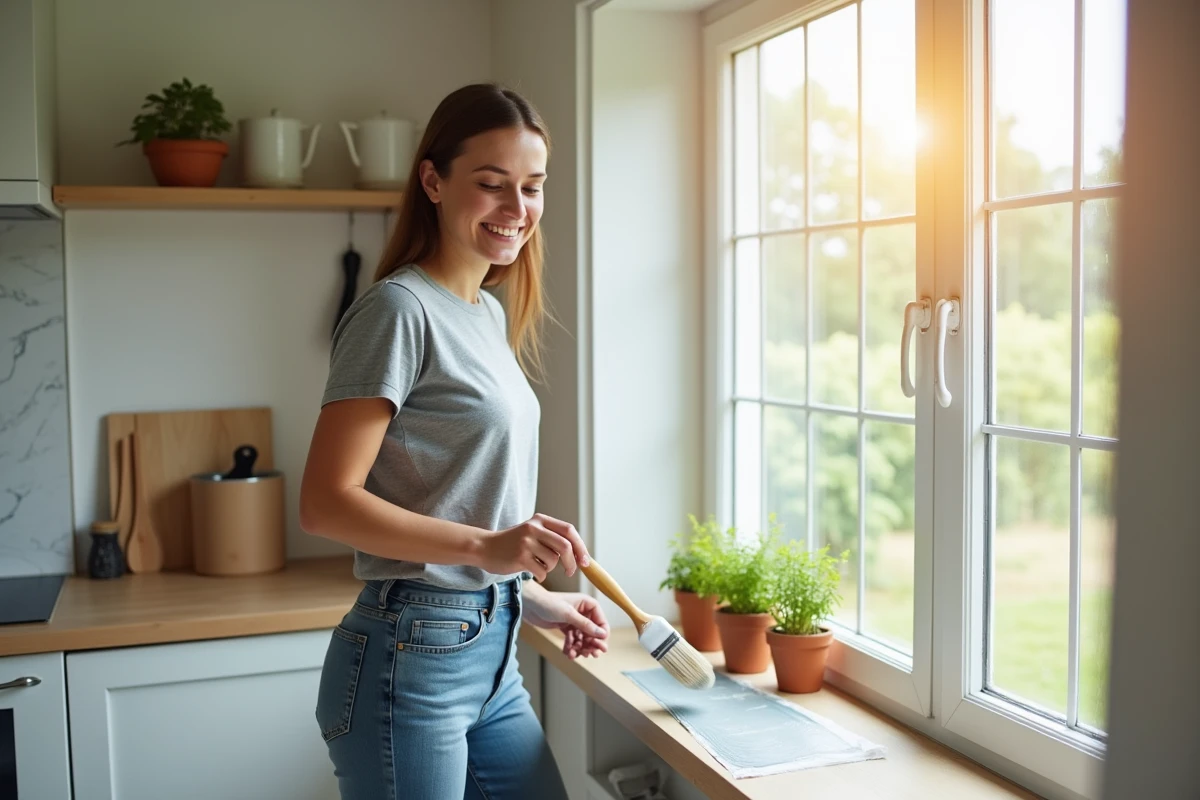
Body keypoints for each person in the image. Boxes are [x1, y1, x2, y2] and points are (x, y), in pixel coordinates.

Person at [299, 83, 610, 800]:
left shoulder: (487, 315)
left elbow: (453, 499)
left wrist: (528, 597)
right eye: (492, 184)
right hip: (407, 663)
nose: (517, 210)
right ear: (433, 180)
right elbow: (324, 503)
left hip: (490, 653)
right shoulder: (396, 311)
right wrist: (488, 548)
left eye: (531, 187)